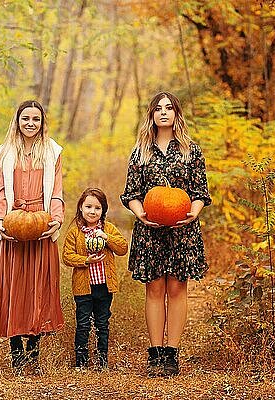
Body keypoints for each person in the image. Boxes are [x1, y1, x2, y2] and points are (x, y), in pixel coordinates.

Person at [120, 91, 211, 377]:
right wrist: (141, 214)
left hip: (182, 231)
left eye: (168, 108)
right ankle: (155, 353)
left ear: (176, 114)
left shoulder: (190, 151)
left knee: (177, 289)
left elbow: (200, 193)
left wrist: (193, 213)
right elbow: (131, 194)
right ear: (151, 115)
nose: (163, 112)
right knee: (155, 289)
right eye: (158, 108)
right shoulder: (140, 151)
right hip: (151, 231)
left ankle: (172, 354)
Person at [0, 100, 65, 376]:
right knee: (14, 287)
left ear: (42, 122)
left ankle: (34, 350)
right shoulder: (6, 153)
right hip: (14, 224)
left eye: (36, 119)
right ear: (17, 121)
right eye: (25, 119)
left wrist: (55, 219)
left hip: (40, 222)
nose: (30, 123)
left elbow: (57, 189)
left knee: (37, 286)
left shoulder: (52, 152)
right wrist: (1, 221)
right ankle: (15, 352)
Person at [62, 188, 128, 370]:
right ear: (81, 208)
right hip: (84, 288)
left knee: (102, 324)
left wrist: (106, 238)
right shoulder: (75, 232)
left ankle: (102, 362)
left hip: (104, 287)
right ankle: (81, 363)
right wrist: (85, 260)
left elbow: (123, 248)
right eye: (88, 206)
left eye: (97, 208)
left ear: (103, 211)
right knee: (83, 324)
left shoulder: (108, 229)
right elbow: (67, 256)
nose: (93, 211)